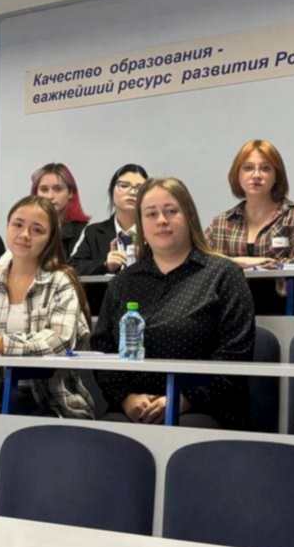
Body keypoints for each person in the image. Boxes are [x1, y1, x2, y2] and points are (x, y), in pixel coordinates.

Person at [92, 177, 255, 428]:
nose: (162, 220)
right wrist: (126, 398)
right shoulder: (122, 283)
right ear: (141, 225)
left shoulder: (224, 275)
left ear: (189, 216)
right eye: (151, 214)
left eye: (171, 211)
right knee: (102, 439)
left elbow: (235, 356)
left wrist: (182, 400)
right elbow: (103, 349)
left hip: (203, 409)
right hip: (131, 409)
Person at [0, 196, 96, 418]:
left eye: (37, 230)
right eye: (18, 225)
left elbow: (58, 342)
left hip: (46, 402)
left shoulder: (60, 282)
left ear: (50, 238)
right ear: (7, 227)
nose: (24, 235)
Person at [206, 140, 294, 313]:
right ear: (237, 175)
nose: (256, 175)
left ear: (277, 176)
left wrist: (269, 264)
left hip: (284, 312)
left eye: (265, 169)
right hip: (230, 314)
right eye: (248, 168)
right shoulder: (223, 222)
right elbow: (198, 257)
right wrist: (238, 262)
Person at [68, 164, 149, 276]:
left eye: (140, 188)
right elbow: (73, 267)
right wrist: (105, 265)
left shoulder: (154, 231)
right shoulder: (94, 232)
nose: (132, 192)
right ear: (112, 191)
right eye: (124, 186)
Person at [30, 162, 90, 260]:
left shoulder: (86, 232)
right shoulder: (26, 228)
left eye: (57, 189)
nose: (50, 196)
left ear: (70, 193)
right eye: (44, 190)